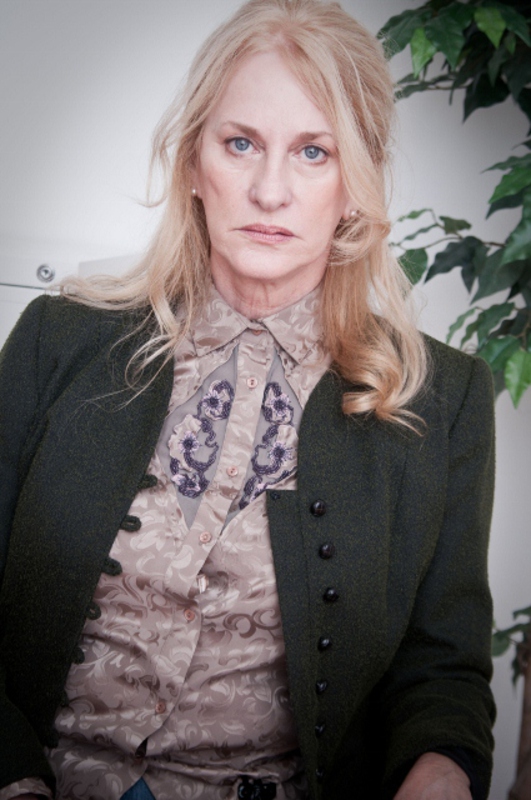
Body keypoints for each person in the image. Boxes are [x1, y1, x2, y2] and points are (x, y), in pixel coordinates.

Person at [0, 0, 496, 798]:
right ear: (193, 164)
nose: (270, 190)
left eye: (313, 152)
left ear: (356, 183)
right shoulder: (54, 341)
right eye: (240, 144)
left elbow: (441, 671)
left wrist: (440, 770)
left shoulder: (444, 401)